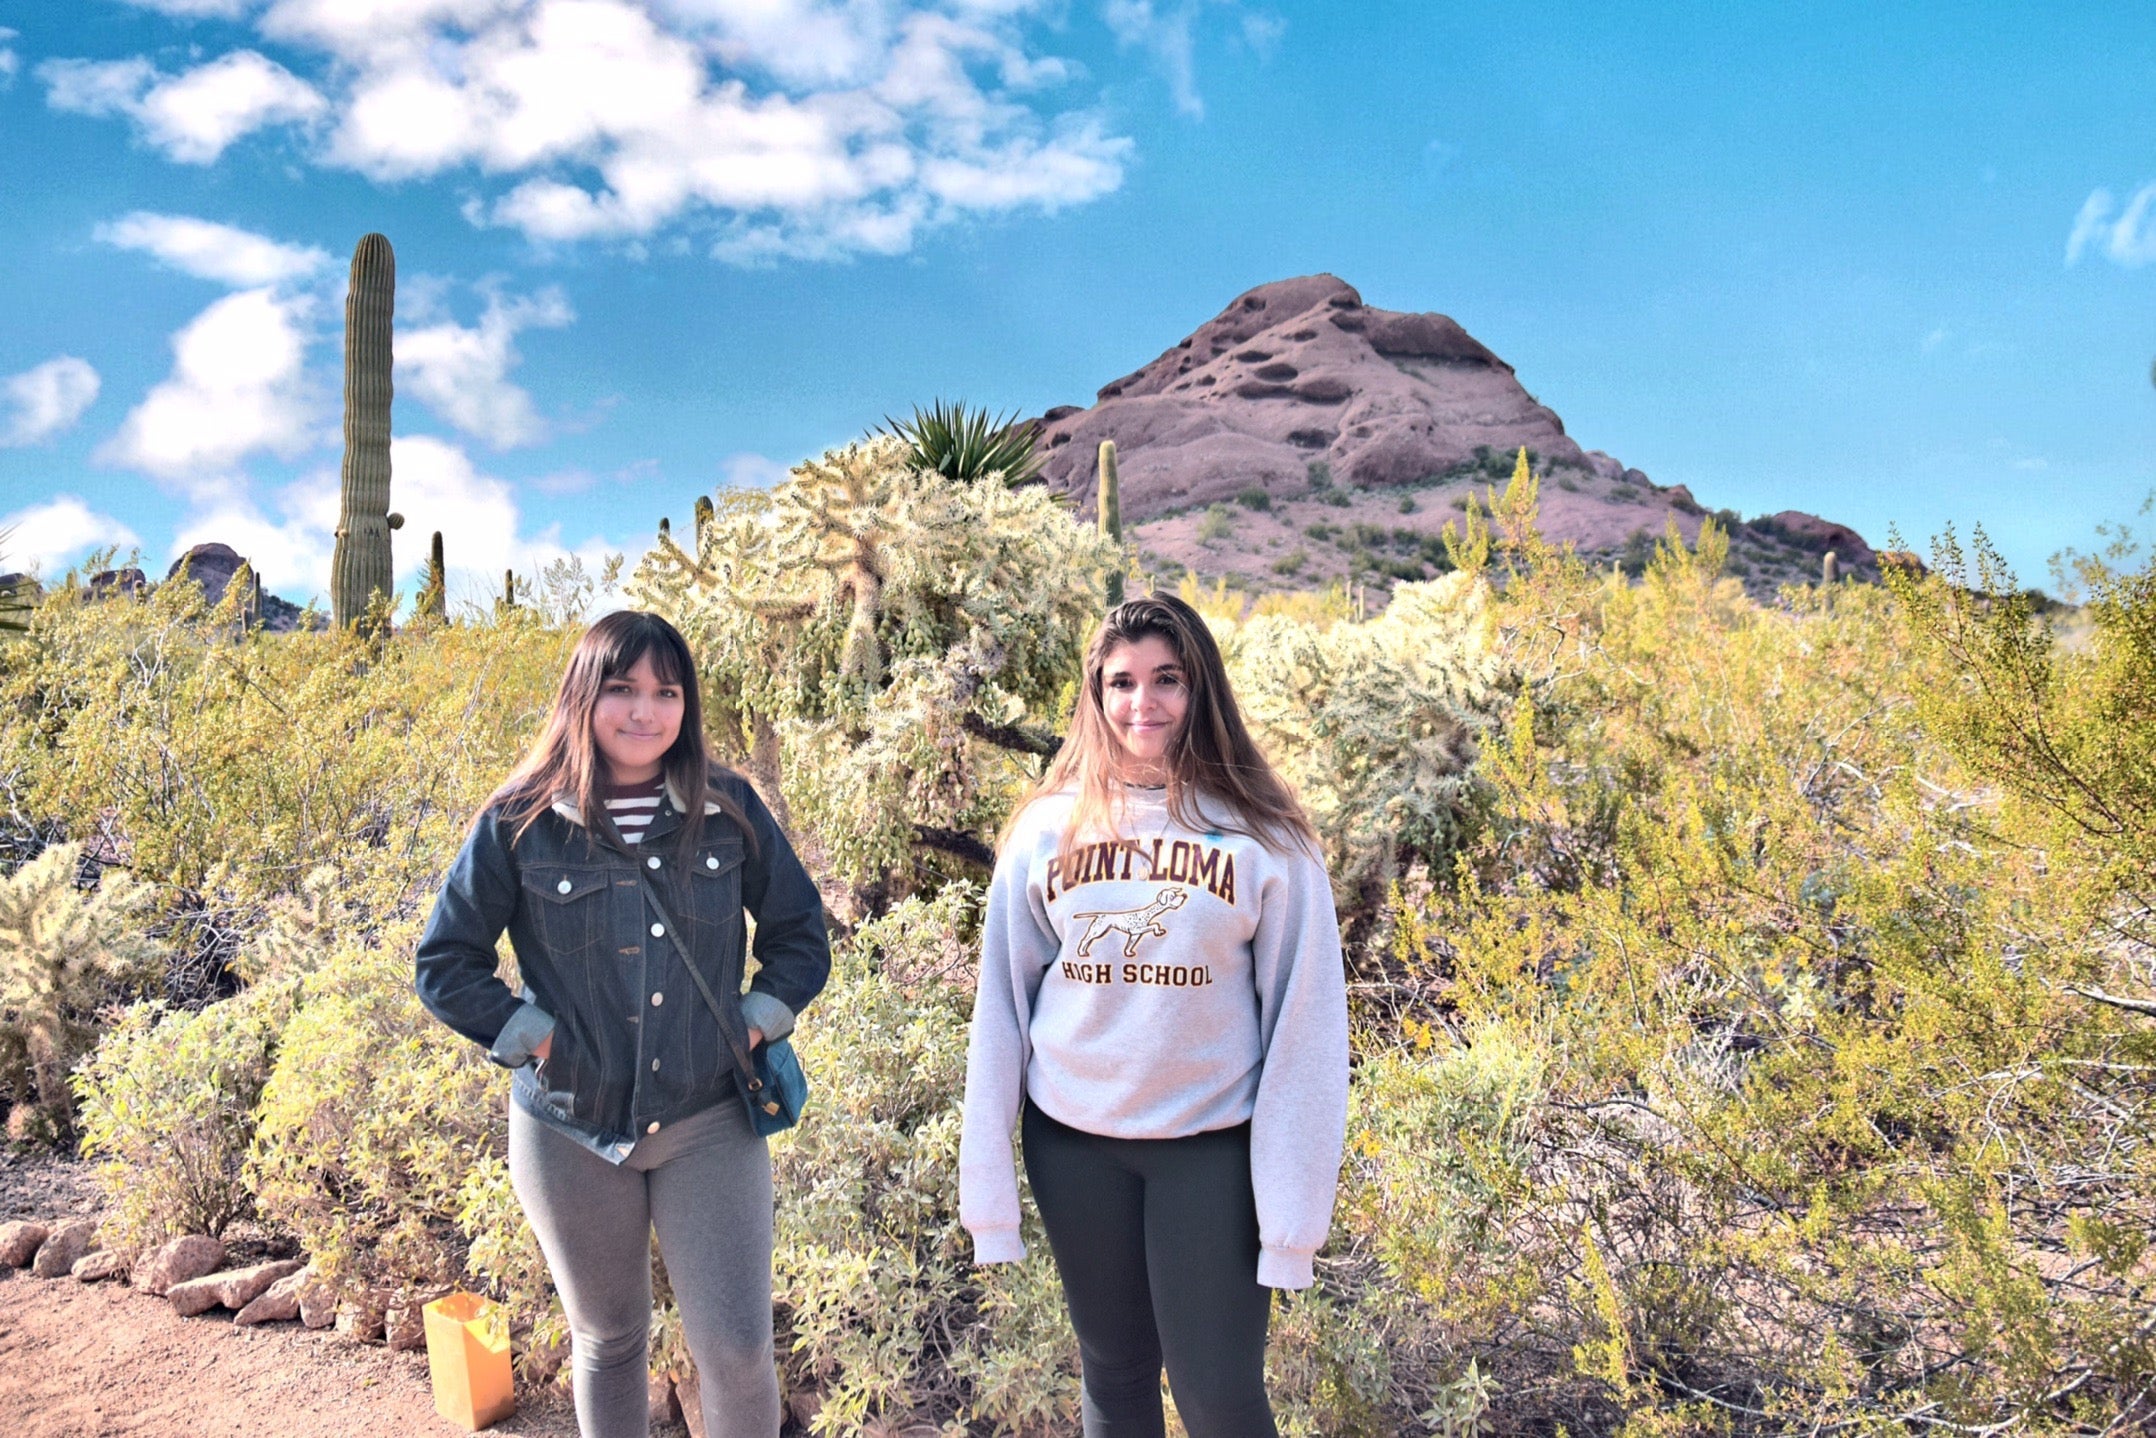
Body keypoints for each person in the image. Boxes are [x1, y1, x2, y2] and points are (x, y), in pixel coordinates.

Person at [415, 610, 828, 1438]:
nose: (645, 711)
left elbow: (799, 938)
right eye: (623, 688)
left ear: (687, 705)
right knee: (608, 1341)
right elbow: (445, 963)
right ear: (583, 695)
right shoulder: (519, 820)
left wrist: (749, 1025)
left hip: (708, 1118)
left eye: (666, 692)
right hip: (569, 1126)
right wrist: (535, 1036)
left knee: (740, 1352)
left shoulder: (728, 807)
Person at [959, 593, 1350, 1438]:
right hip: (1073, 1147)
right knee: (1114, 1377)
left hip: (1208, 1152)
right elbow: (1003, 1012)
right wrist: (988, 1197)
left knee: (1219, 1398)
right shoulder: (1044, 829)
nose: (1144, 704)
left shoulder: (1266, 838)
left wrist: (1290, 1221)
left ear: (1200, 686)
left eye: (1167, 679)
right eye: (1121, 682)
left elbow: (1305, 1030)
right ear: (1095, 697)